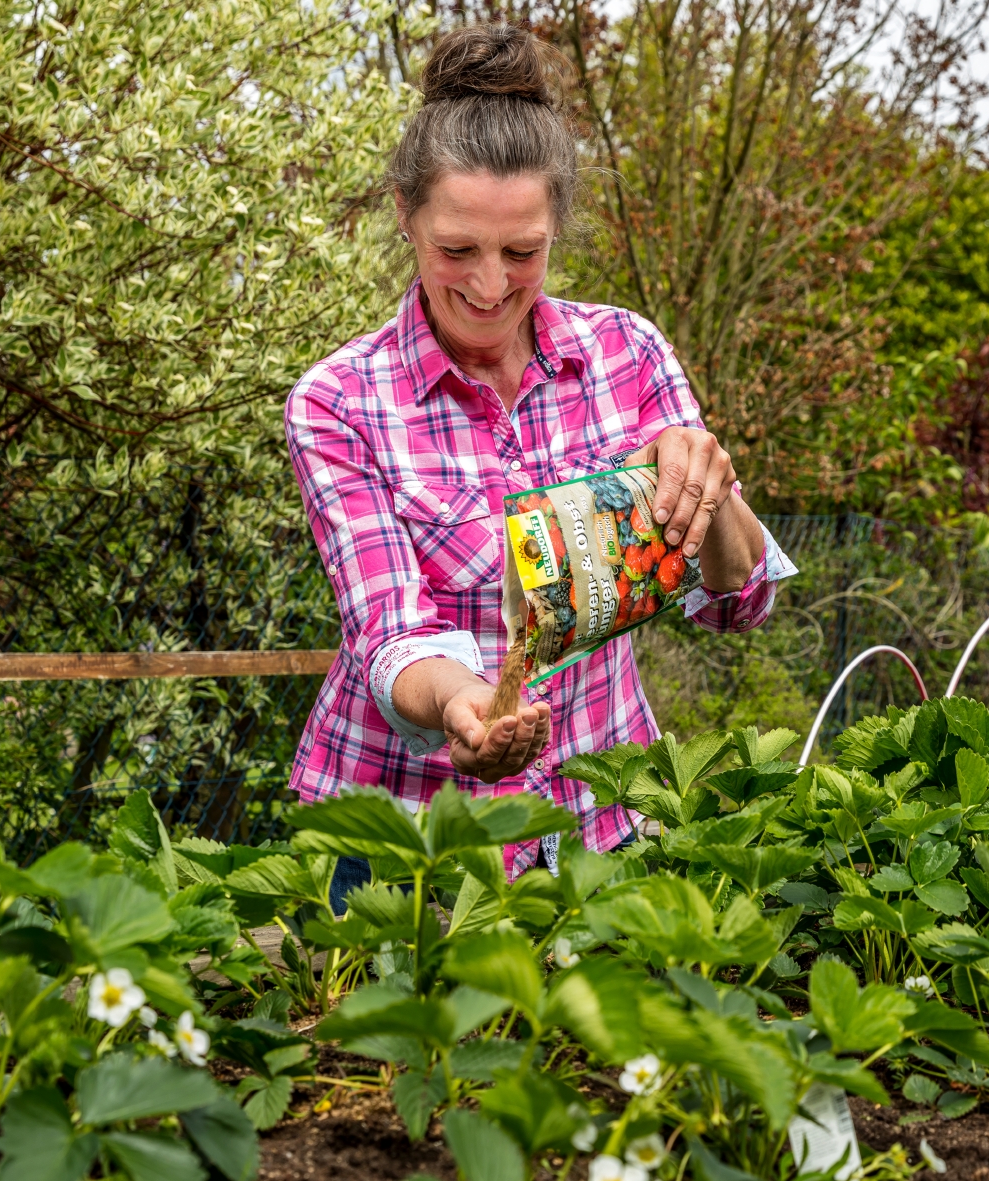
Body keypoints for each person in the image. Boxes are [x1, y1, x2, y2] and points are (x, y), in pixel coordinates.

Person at [285, 24, 797, 905]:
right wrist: (462, 705)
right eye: (457, 250)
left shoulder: (627, 354)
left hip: (600, 826)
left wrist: (713, 489)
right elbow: (392, 631)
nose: (489, 284)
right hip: (406, 844)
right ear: (406, 215)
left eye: (522, 251)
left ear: (557, 226)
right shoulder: (339, 403)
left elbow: (737, 601)